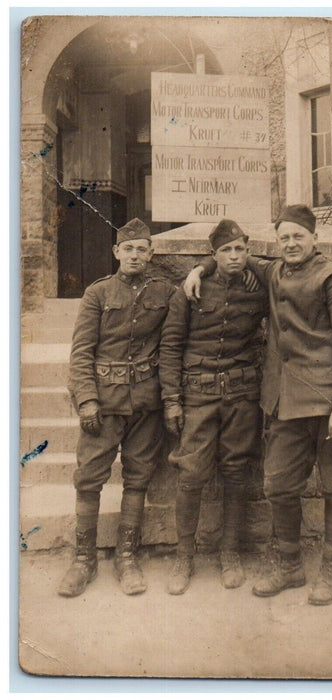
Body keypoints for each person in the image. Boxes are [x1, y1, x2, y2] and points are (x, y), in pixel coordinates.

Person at [185, 204, 332, 605]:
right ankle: (289, 566)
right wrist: (198, 269)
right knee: (278, 484)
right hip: (286, 403)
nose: (290, 243)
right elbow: (231, 255)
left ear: (314, 239)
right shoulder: (273, 272)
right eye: (284, 237)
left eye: (298, 236)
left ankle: (331, 570)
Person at [58, 217, 175, 597]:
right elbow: (81, 353)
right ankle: (83, 560)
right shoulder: (98, 293)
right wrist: (87, 399)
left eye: (143, 249)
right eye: (129, 249)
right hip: (104, 403)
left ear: (152, 253)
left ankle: (127, 558)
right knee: (90, 477)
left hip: (145, 402)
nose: (136, 255)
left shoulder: (165, 292)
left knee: (138, 477)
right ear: (116, 253)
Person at [159, 219, 267, 595]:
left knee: (236, 472)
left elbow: (279, 270)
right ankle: (183, 556)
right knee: (190, 475)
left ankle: (230, 553)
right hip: (198, 394)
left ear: (248, 250)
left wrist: (250, 267)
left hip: (241, 394)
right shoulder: (190, 290)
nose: (234, 256)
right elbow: (171, 347)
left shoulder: (258, 285)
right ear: (213, 254)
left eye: (240, 249)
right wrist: (172, 400)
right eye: (226, 251)